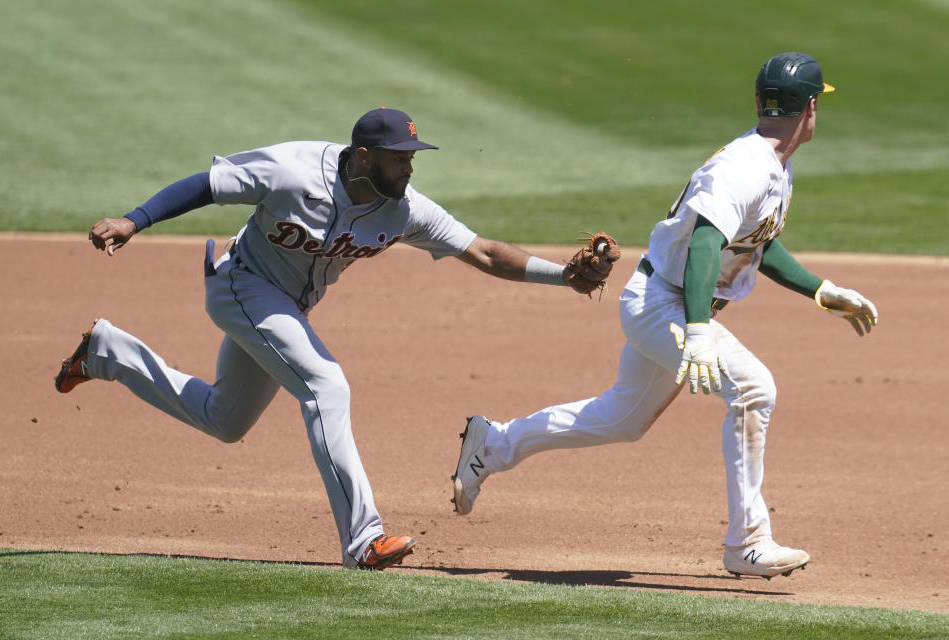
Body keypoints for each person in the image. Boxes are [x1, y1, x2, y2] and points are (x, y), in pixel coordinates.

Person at [54, 107, 605, 570]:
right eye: (398, 156)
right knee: (326, 386)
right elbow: (207, 185)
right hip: (242, 286)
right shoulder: (294, 170)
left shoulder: (403, 210)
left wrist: (562, 275)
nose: (409, 166)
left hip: (287, 308)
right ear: (363, 155)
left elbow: (483, 251)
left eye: (412, 156)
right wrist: (135, 219)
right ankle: (363, 540)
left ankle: (109, 352)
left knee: (225, 419)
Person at [450, 53, 879, 579]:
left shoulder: (769, 163)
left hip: (668, 299)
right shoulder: (744, 167)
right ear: (810, 107)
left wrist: (822, 290)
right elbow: (705, 244)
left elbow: (755, 242)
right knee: (753, 389)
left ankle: (493, 443)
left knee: (621, 420)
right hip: (664, 304)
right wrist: (698, 329)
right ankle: (747, 542)